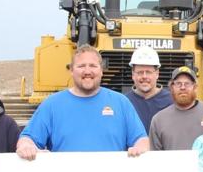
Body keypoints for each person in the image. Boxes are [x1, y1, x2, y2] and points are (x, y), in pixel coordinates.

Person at [17, 46, 149, 158]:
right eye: (81, 66)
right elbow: (27, 138)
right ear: (71, 70)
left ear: (101, 70)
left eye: (93, 66)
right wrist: (26, 146)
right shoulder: (52, 105)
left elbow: (141, 139)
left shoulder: (121, 102)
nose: (87, 71)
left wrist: (140, 149)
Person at [149, 66, 203, 151]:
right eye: (178, 83)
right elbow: (154, 156)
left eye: (187, 83)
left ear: (195, 87)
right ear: (171, 87)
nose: (183, 87)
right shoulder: (159, 120)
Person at [125, 47, 173, 132]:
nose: (144, 76)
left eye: (148, 72)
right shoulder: (124, 102)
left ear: (157, 74)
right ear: (133, 75)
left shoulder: (171, 101)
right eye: (140, 72)